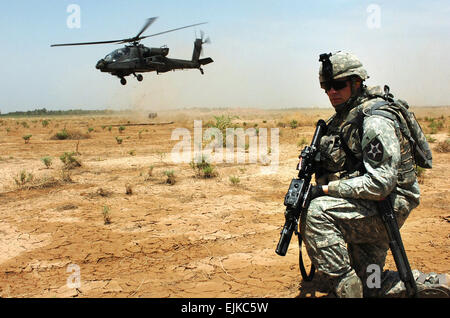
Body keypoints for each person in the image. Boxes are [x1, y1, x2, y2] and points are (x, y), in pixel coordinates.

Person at [301, 51, 449, 298]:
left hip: (388, 206)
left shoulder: (374, 120)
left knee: (316, 213)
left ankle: (348, 291)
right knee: (369, 283)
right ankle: (424, 283)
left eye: (338, 85)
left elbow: (380, 183)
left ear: (357, 82)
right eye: (326, 86)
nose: (331, 92)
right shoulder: (344, 117)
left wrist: (324, 190)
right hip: (367, 203)